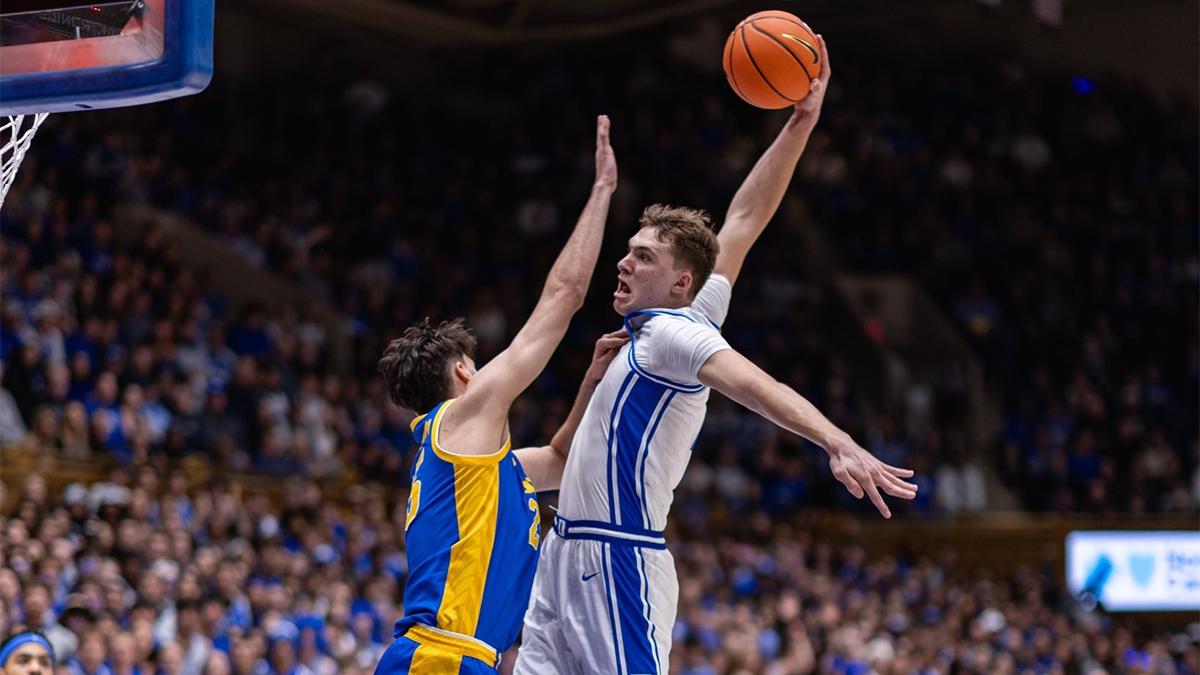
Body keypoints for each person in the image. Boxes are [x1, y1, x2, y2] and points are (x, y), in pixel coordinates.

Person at [515, 35, 919, 675]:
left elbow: (749, 381)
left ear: (682, 283)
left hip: (616, 560)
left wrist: (835, 439)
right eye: (629, 248)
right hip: (563, 551)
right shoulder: (660, 326)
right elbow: (743, 219)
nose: (622, 260)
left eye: (643, 256)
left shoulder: (677, 332)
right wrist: (800, 124)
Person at [373, 116, 624, 674]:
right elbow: (565, 295)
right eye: (479, 365)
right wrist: (602, 191)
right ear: (465, 374)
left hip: (466, 660)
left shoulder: (482, 471)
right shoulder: (462, 418)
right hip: (438, 657)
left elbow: (560, 458)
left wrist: (589, 380)